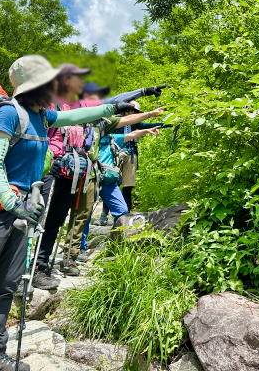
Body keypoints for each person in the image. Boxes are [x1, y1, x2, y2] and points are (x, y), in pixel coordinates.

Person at [0, 55, 136, 371]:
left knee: (5, 287)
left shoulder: (41, 116)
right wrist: (13, 204)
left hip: (23, 214)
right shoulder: (9, 113)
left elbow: (74, 116)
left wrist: (112, 108)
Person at [31, 66, 164, 287]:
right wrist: (143, 92)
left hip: (76, 171)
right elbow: (115, 104)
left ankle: (43, 265)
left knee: (59, 219)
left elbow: (118, 113)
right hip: (52, 169)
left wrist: (148, 111)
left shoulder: (90, 111)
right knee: (41, 219)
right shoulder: (51, 104)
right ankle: (29, 266)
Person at [78, 121, 161, 257]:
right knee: (85, 214)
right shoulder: (87, 138)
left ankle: (120, 243)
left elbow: (132, 134)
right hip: (91, 179)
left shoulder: (112, 138)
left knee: (122, 211)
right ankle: (80, 247)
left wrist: (147, 130)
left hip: (109, 181)